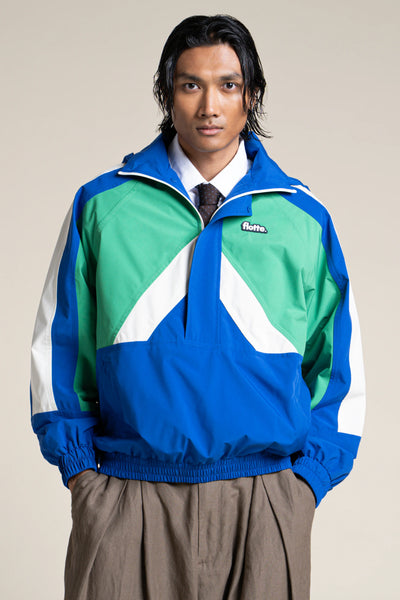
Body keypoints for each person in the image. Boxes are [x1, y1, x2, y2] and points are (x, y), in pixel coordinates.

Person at [30, 14, 366, 600]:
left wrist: (304, 485)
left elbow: (339, 367)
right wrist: (83, 476)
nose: (209, 106)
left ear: (251, 95)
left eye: (228, 85)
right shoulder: (103, 205)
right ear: (167, 94)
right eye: (191, 85)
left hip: (265, 500)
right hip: (127, 492)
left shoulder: (302, 218)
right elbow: (59, 348)